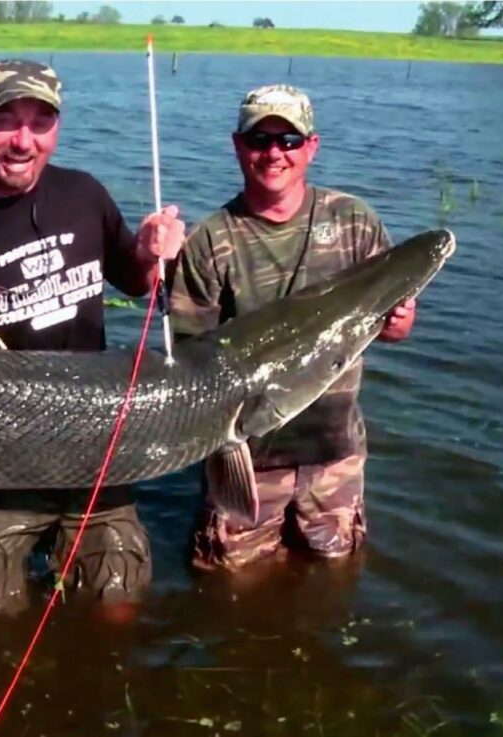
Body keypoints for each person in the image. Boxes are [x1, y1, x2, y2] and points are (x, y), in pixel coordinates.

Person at [0, 60, 185, 615]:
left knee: (118, 606)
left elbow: (139, 281)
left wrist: (152, 251)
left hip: (97, 450)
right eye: (7, 119)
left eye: (41, 122)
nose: (24, 140)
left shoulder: (85, 195)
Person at [168, 84, 416, 570]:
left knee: (333, 574)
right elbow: (188, 364)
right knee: (231, 586)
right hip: (246, 460)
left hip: (334, 453)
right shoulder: (209, 240)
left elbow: (395, 325)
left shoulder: (353, 221)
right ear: (238, 146)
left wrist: (399, 323)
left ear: (312, 147)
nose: (274, 154)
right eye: (260, 140)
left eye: (289, 141)